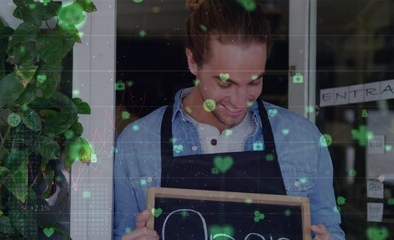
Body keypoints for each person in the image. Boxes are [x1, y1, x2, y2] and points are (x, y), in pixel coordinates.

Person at [113, 0, 345, 239]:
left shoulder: (303, 140)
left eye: (255, 81)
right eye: (225, 82)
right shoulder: (138, 143)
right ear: (192, 61)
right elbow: (120, 232)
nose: (240, 100)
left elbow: (331, 230)